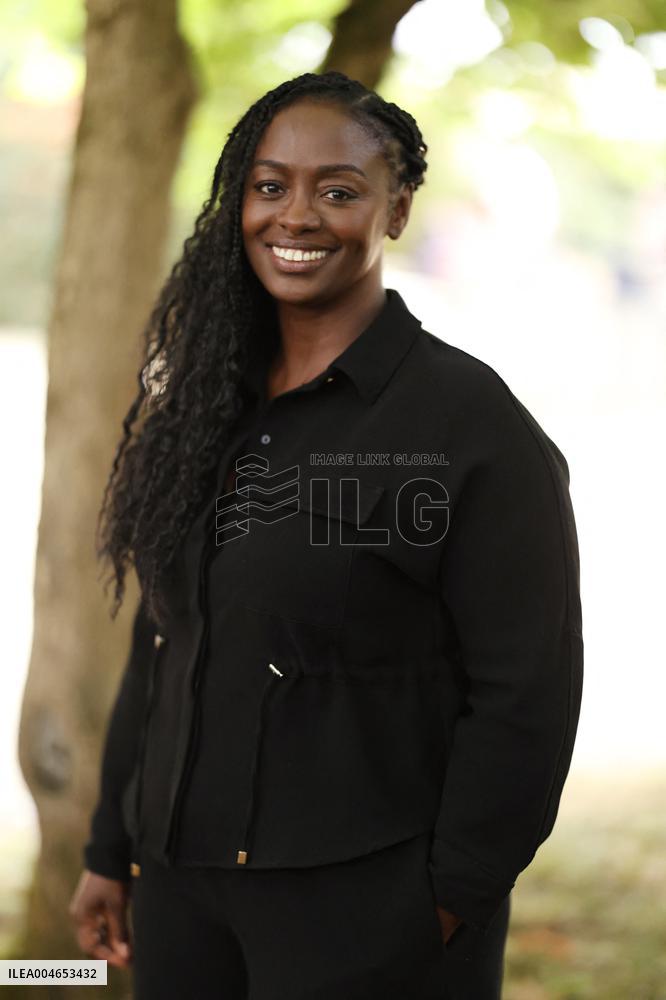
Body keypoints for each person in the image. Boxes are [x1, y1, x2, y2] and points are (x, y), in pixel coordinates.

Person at [69, 70, 584, 1000]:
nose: (295, 216)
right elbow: (163, 643)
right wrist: (112, 848)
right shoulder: (199, 411)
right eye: (270, 187)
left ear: (396, 209)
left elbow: (528, 692)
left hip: (367, 913)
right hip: (181, 896)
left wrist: (451, 897)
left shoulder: (470, 428)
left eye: (337, 191)